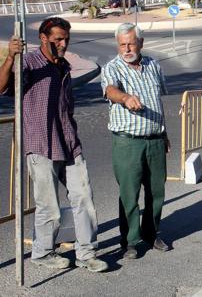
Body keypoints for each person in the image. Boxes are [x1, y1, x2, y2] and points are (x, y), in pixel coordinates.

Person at [0, 17, 108, 272]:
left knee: (84, 199)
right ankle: (43, 252)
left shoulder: (63, 66)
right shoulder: (27, 63)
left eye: (66, 39)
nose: (63, 43)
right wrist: (9, 57)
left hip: (69, 143)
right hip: (41, 143)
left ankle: (86, 253)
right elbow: (3, 87)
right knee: (48, 206)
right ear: (43, 38)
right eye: (58, 39)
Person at [101, 23, 170, 259]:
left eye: (131, 43)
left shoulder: (153, 65)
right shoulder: (113, 68)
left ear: (141, 42)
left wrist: (164, 134)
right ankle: (130, 240)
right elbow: (110, 90)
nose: (127, 48)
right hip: (128, 143)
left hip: (155, 141)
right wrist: (125, 98)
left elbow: (159, 102)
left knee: (156, 192)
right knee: (129, 194)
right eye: (122, 44)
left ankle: (151, 233)